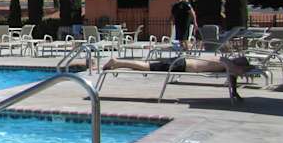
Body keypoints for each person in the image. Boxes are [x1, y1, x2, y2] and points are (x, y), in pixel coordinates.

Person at [103, 54, 252, 101]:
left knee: (146, 66)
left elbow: (233, 75)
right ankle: (117, 62)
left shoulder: (228, 64)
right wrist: (247, 69)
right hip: (180, 64)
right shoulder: (225, 60)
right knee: (147, 66)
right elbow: (235, 71)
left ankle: (117, 63)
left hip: (182, 63)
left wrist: (235, 93)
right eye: (243, 66)